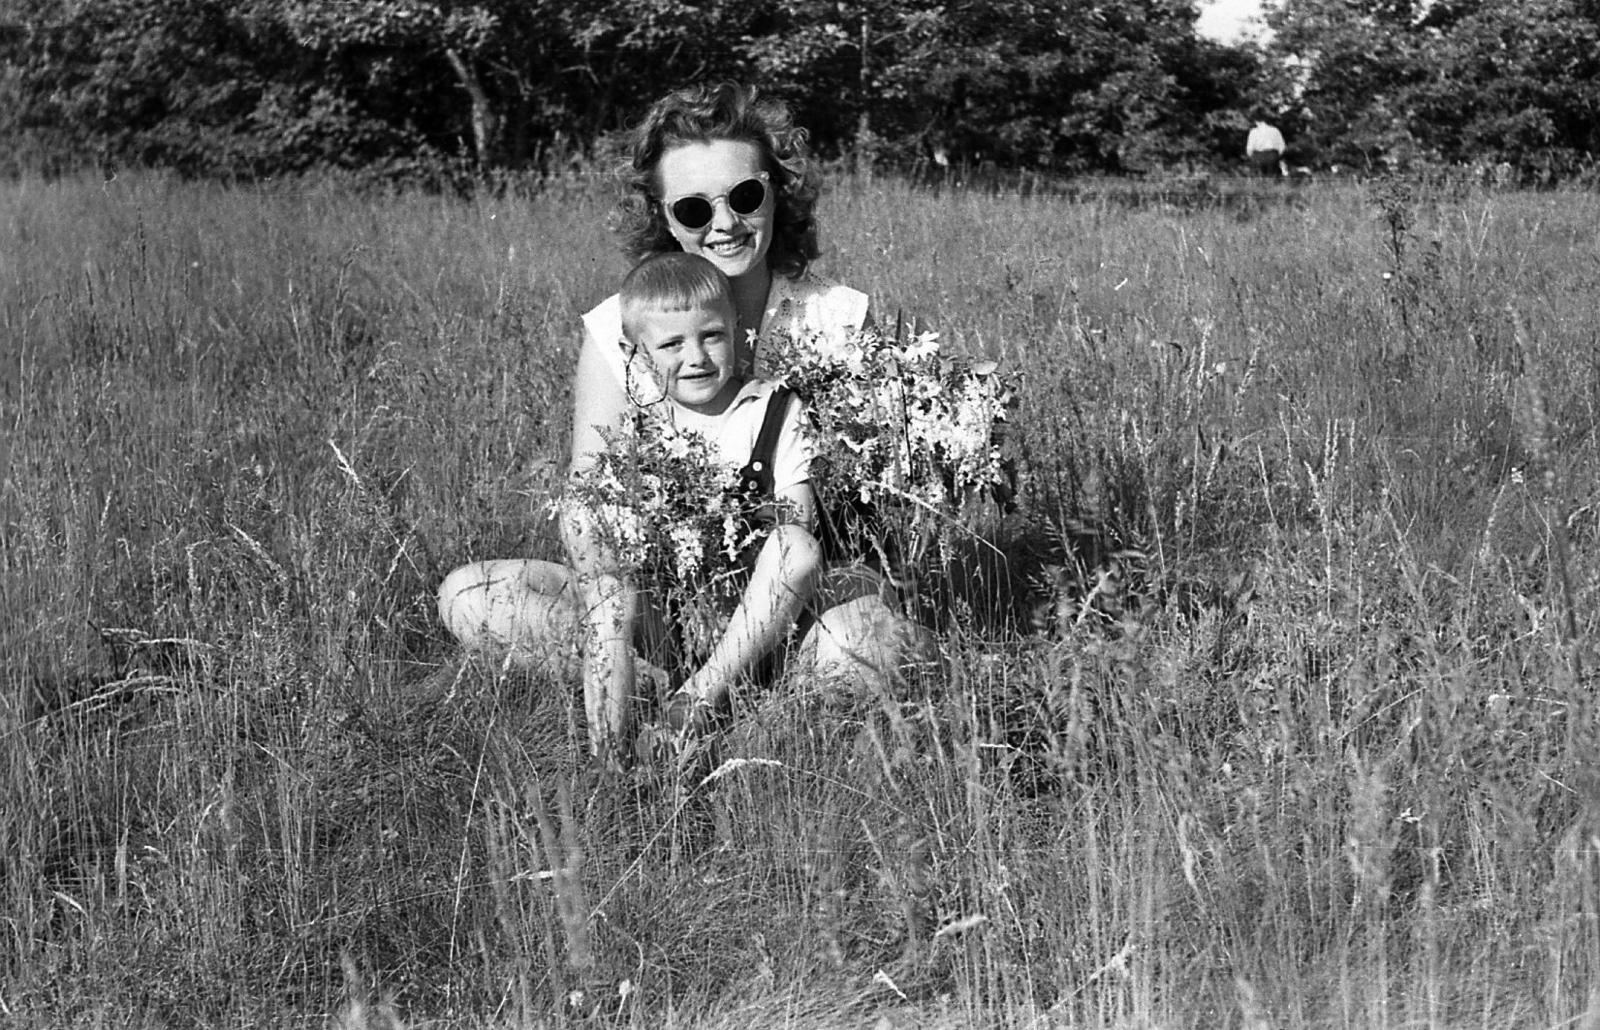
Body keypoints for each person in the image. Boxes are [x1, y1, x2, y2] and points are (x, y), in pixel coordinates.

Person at [437, 82, 933, 762]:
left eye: (745, 197)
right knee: (470, 598)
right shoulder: (618, 327)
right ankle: (660, 697)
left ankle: (742, 712)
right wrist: (612, 606)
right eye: (696, 207)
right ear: (665, 217)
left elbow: (884, 502)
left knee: (871, 647)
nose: (724, 222)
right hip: (658, 607)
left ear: (776, 192)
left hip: (797, 606)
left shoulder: (838, 318)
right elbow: (587, 495)